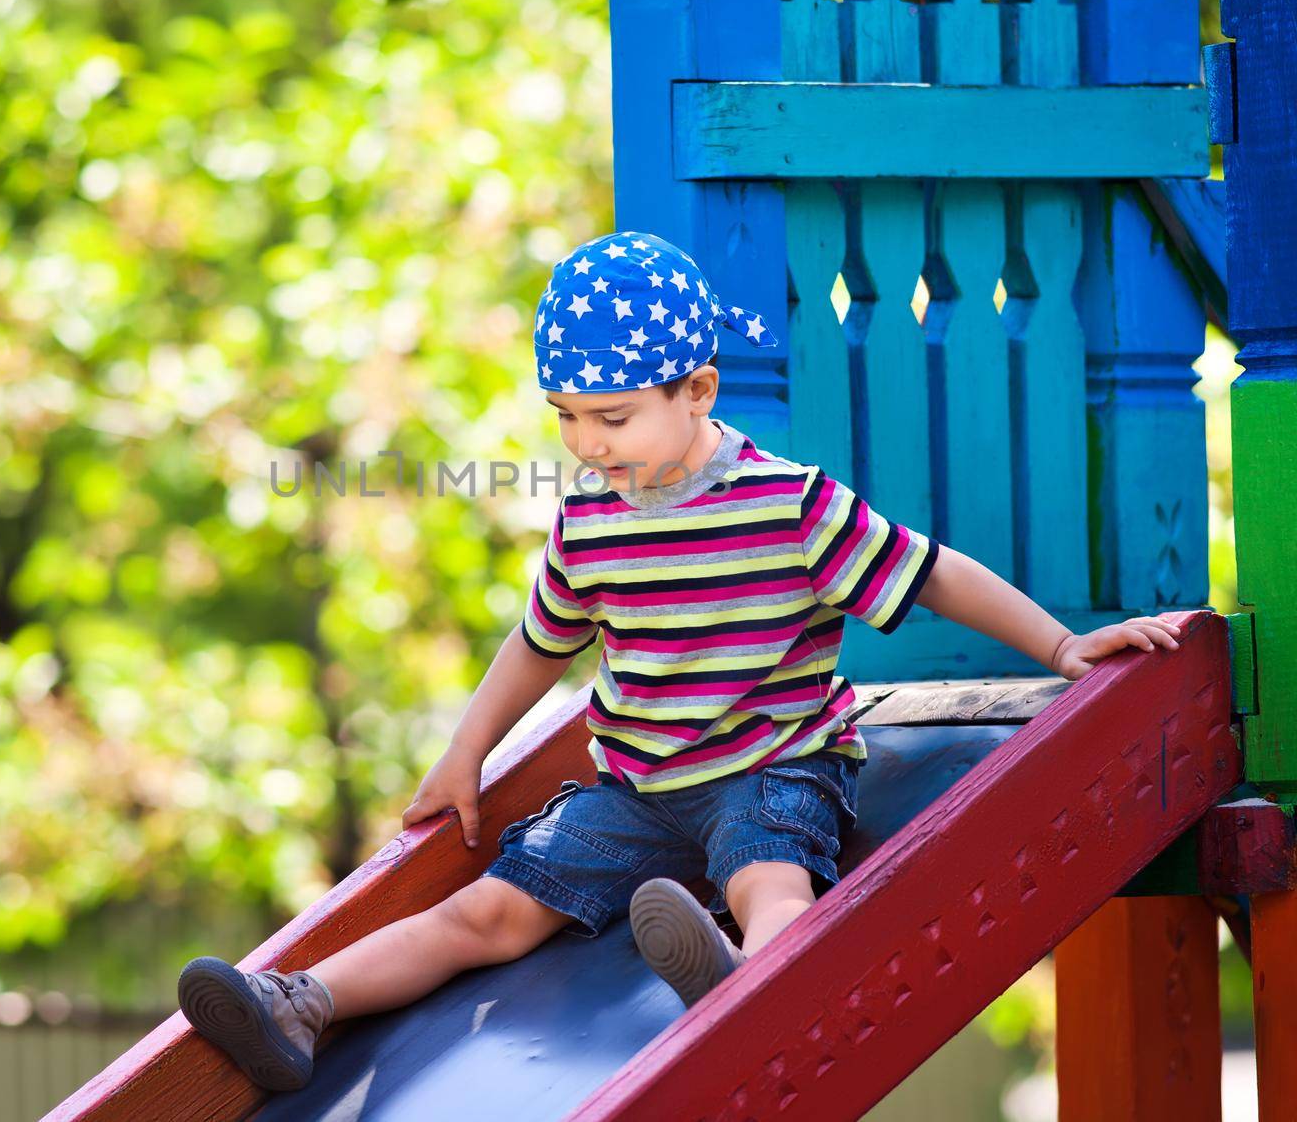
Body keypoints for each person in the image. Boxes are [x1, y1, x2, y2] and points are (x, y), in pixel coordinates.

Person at [174, 230, 1184, 1092]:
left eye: (610, 416)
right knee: (490, 908)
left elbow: (930, 574)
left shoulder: (784, 502)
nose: (586, 442)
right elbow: (540, 642)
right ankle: (301, 1002)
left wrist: (1060, 643)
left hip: (773, 763)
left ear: (697, 390)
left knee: (767, 871)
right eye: (566, 416)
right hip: (639, 784)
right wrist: (464, 753)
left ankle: (750, 974)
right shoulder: (590, 518)